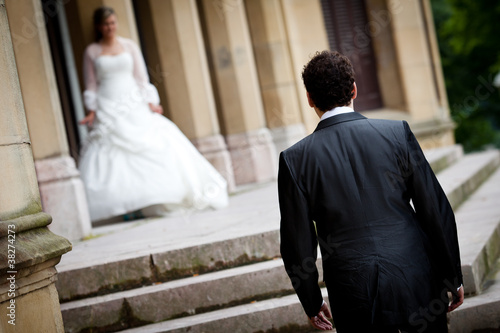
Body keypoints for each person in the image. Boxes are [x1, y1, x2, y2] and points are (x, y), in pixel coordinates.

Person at [278, 51, 464, 332]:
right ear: (354, 89)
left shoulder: (295, 159)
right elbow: (434, 209)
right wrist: (453, 274)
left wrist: (311, 300)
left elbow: (297, 243)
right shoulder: (397, 134)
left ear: (309, 99)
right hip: (415, 275)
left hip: (352, 290)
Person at [79, 6, 228, 222]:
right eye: (105, 24)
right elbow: (91, 84)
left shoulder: (129, 46)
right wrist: (92, 111)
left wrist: (151, 102)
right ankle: (126, 204)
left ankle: (157, 198)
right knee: (112, 151)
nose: (109, 27)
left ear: (116, 23)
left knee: (155, 140)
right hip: (107, 104)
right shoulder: (92, 51)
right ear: (98, 27)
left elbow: (141, 78)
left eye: (112, 23)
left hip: (133, 100)